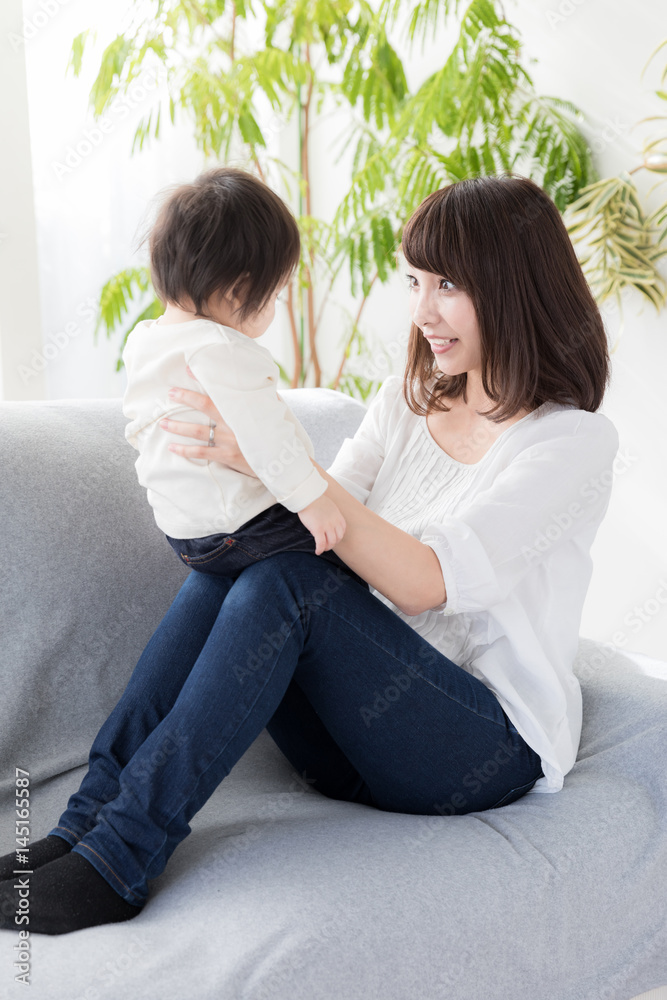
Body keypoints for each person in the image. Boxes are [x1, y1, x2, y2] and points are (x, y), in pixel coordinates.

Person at [0, 173, 619, 936]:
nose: (422, 311)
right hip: (349, 747)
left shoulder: (570, 441)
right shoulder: (406, 400)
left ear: (514, 284)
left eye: (449, 284)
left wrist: (276, 469)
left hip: (476, 753)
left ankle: (119, 859)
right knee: (247, 562)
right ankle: (82, 827)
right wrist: (253, 471)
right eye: (415, 281)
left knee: (285, 577)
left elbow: (427, 583)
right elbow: (320, 518)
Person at [122, 165, 346, 577]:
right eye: (275, 293)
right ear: (239, 291)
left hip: (183, 534)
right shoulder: (223, 348)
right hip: (239, 527)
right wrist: (312, 500)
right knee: (341, 558)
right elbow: (265, 435)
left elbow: (138, 425)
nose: (275, 305)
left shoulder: (144, 340)